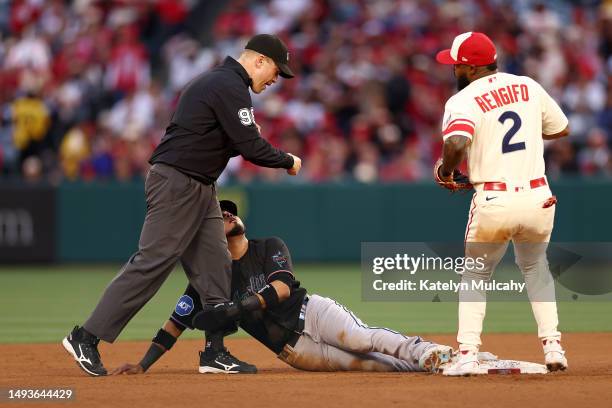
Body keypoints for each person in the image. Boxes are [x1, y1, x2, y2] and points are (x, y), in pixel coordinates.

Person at [62, 34, 302, 376]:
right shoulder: (229, 84)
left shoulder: (222, 83)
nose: (277, 78)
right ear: (259, 61)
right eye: (277, 70)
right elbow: (250, 147)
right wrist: (287, 160)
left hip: (200, 185)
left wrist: (248, 143)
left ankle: (214, 351)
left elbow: (216, 139)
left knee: (216, 263)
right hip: (177, 181)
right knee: (152, 262)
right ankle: (85, 336)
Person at [111, 200, 453, 375]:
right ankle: (435, 365)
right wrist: (143, 364)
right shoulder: (208, 280)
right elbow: (176, 323)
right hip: (294, 351)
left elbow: (284, 288)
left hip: (312, 314)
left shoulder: (268, 246)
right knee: (373, 365)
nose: (228, 215)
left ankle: (428, 351)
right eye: (221, 215)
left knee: (363, 338)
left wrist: (236, 309)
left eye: (230, 212)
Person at [433, 32, 569, 375]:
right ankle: (554, 347)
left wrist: (448, 172)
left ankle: (467, 354)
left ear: (472, 67)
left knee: (476, 274)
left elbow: (457, 142)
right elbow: (560, 128)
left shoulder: (464, 99)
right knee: (536, 268)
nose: (454, 70)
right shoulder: (527, 85)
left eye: (458, 65)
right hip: (539, 196)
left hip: (494, 197)